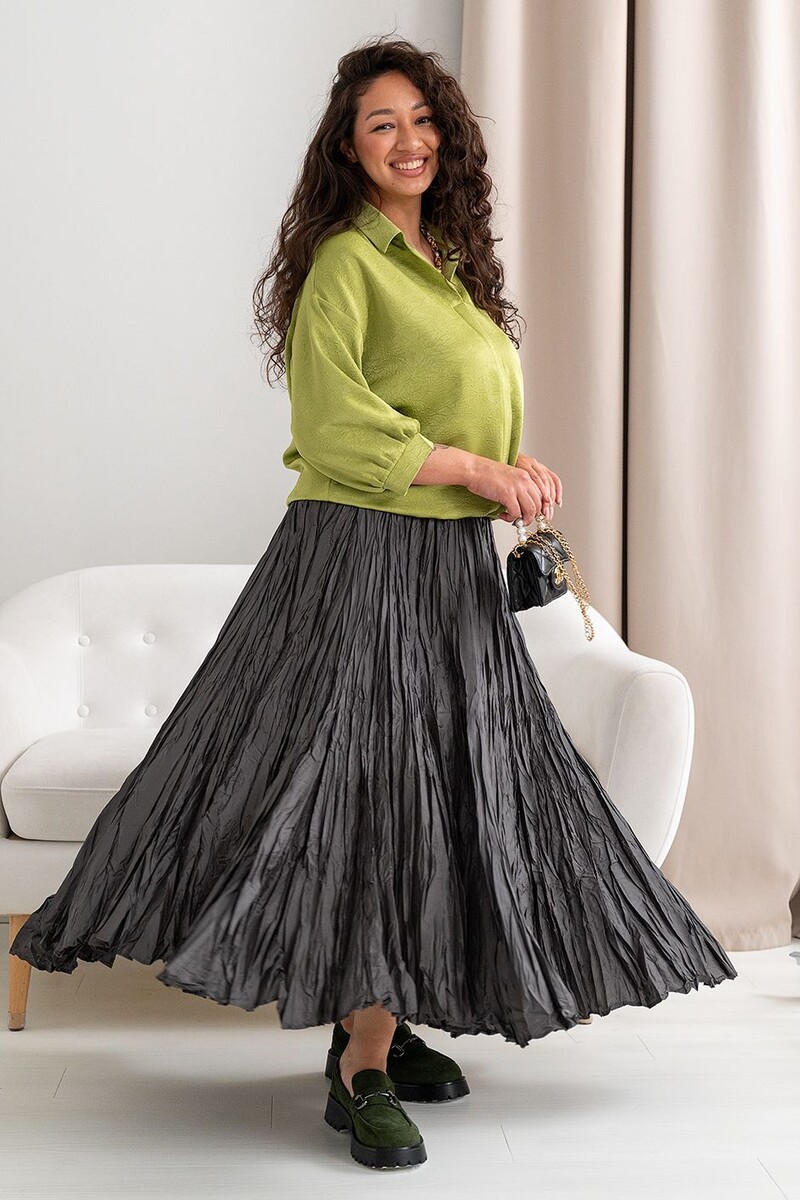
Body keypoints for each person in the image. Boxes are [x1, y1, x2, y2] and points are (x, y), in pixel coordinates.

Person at [10, 35, 737, 1174]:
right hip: (359, 562)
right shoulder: (345, 263)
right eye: (380, 124)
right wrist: (474, 468)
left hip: (445, 565)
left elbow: (450, 406)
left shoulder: (447, 265)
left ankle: (386, 1026)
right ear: (347, 150)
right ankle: (360, 1067)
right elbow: (335, 425)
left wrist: (506, 465)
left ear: (447, 136)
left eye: (422, 119)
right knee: (373, 798)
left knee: (446, 789)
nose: (407, 140)